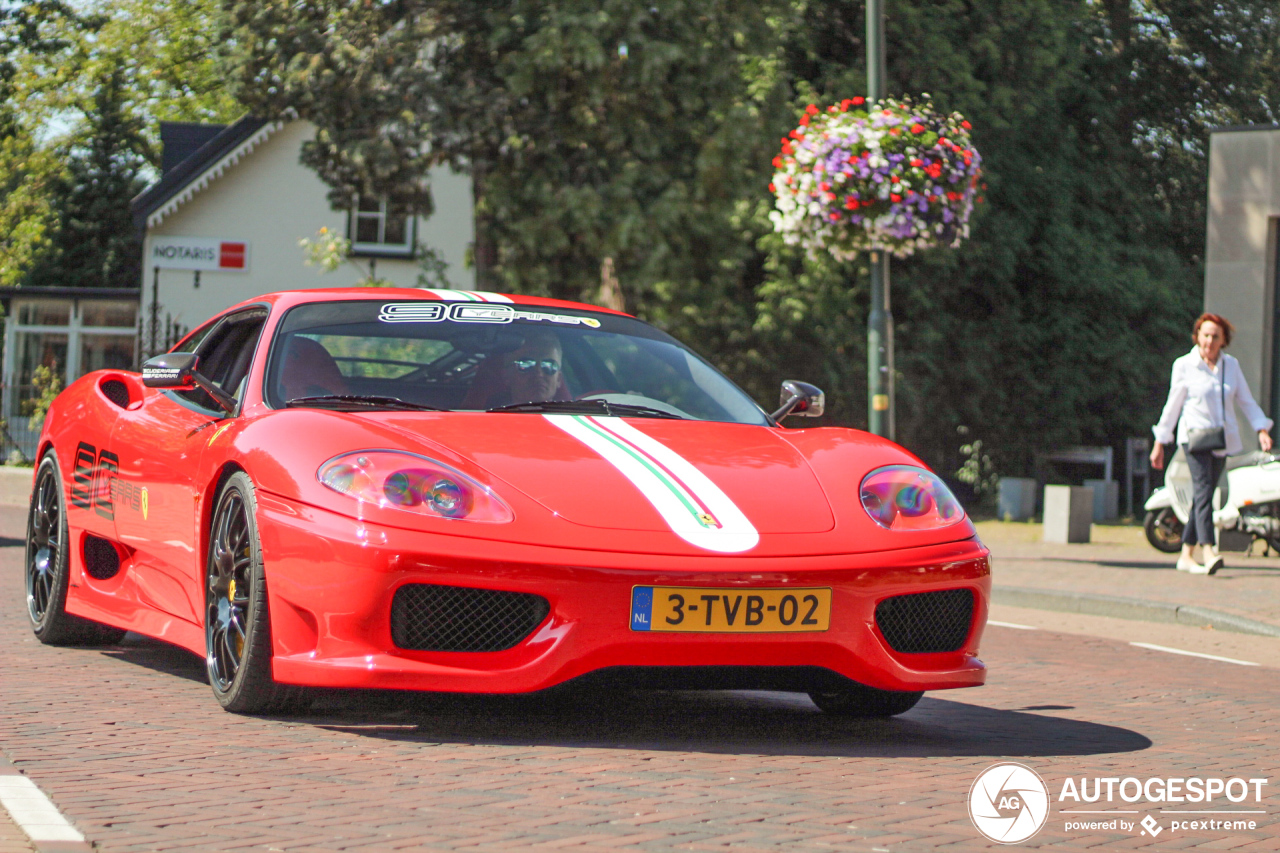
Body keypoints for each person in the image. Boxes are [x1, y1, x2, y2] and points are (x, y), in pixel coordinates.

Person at [1151, 313, 1273, 575]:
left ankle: (1185, 554)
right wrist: (1160, 441)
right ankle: (1208, 549)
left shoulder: (1231, 366)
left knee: (1201, 496)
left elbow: (1246, 401)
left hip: (1222, 440)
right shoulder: (1184, 365)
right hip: (1194, 439)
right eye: (1205, 335)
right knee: (1205, 491)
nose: (1209, 341)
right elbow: (1172, 406)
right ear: (1197, 336)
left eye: (1215, 336)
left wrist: (1261, 429)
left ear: (1223, 340)